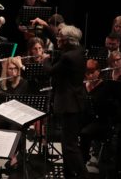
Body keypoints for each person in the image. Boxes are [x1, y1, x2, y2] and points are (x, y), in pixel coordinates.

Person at [42, 25, 88, 178]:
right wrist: (46, 27)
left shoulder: (67, 57)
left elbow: (50, 71)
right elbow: (59, 44)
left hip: (69, 104)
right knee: (66, 143)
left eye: (60, 37)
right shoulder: (79, 50)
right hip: (75, 101)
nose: (58, 40)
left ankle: (82, 175)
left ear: (68, 40)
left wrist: (45, 60)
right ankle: (68, 174)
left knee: (70, 146)